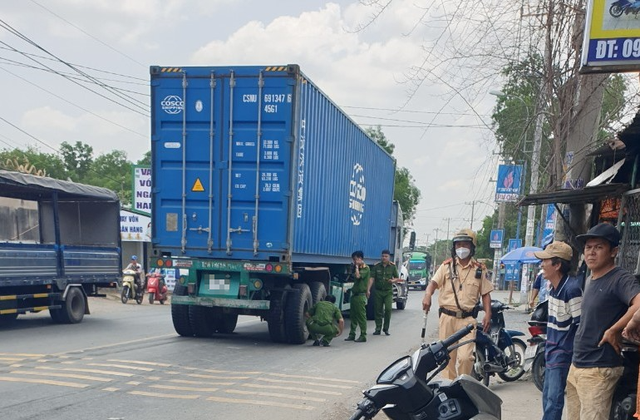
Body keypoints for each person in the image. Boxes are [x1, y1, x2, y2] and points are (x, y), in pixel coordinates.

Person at [565, 223, 640, 419]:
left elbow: (638, 303)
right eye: (588, 247)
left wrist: (614, 329)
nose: (591, 253)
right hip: (578, 365)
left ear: (613, 251)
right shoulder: (591, 278)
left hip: (599, 368)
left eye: (598, 247)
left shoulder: (620, 278)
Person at [421, 229, 493, 379]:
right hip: (447, 318)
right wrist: (427, 295)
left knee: (466, 358)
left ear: (472, 247)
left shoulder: (479, 270)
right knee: (447, 359)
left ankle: (464, 386)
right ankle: (449, 390)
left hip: (467, 320)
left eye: (465, 245)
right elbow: (433, 283)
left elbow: (485, 293)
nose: (461, 248)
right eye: (458, 245)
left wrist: (488, 313)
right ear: (454, 247)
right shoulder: (446, 267)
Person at [532, 241, 582, 420]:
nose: (542, 265)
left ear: (557, 264)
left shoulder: (572, 289)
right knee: (547, 398)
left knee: (553, 401)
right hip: (551, 351)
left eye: (545, 261)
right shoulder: (553, 288)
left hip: (562, 354)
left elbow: (580, 325)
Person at [368, 249, 402, 336]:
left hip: (388, 292)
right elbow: (372, 278)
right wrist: (368, 289)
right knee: (378, 310)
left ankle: (386, 328)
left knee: (388, 309)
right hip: (378, 291)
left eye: (386, 256)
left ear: (389, 257)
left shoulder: (392, 267)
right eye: (383, 256)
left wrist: (392, 281)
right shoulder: (377, 266)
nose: (384, 258)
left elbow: (397, 278)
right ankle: (378, 328)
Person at [345, 250, 370, 343]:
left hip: (360, 296)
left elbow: (358, 276)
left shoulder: (365, 268)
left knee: (361, 317)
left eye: (355, 259)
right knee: (353, 316)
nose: (354, 261)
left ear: (360, 259)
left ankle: (363, 335)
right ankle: (352, 334)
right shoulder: (359, 267)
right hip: (355, 295)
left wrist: (356, 268)